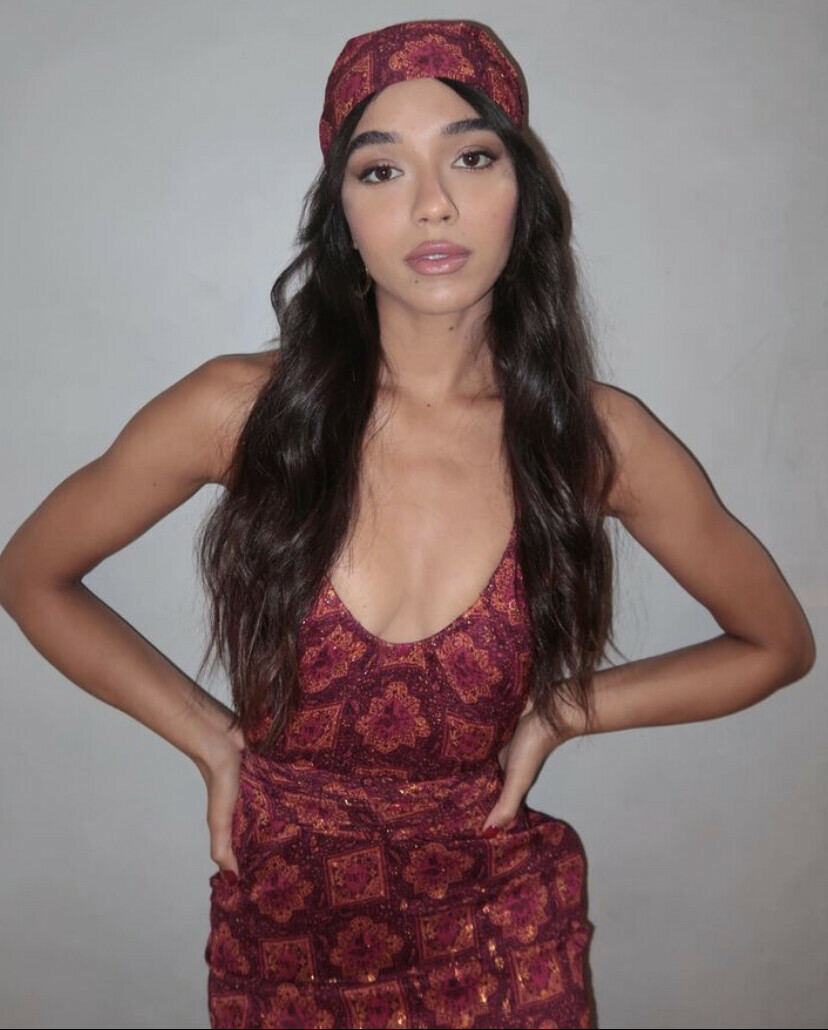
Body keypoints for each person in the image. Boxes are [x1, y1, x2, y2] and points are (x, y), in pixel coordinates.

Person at [0, 17, 815, 1030]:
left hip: (502, 936)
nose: (433, 202)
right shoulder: (240, 412)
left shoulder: (593, 438)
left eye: (471, 157)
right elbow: (29, 573)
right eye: (381, 170)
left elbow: (778, 643)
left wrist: (565, 711)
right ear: (342, 214)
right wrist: (211, 741)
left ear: (524, 189)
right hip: (284, 934)